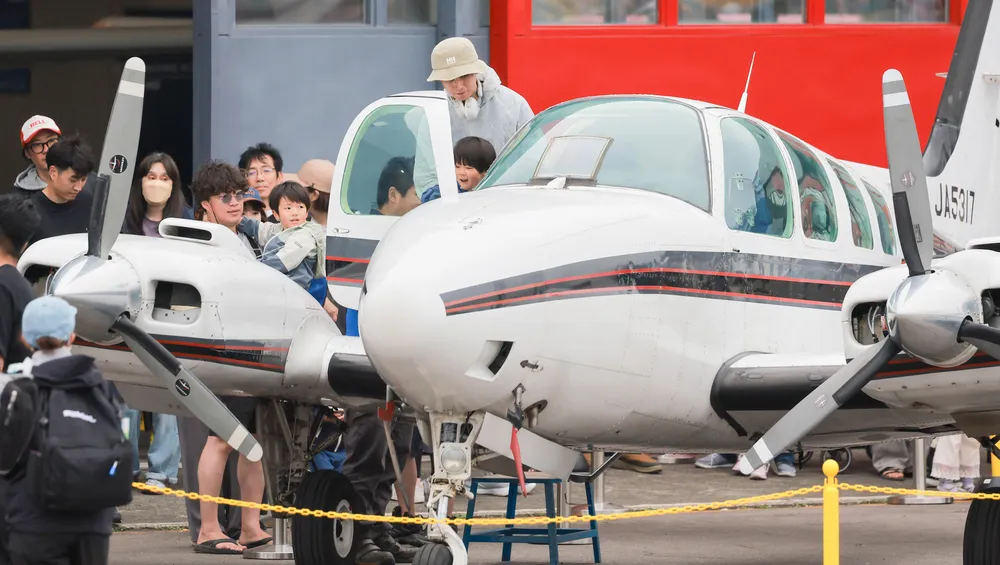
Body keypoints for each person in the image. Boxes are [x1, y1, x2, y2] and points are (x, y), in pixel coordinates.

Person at [189, 161, 271, 555]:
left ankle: (251, 526)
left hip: (253, 350)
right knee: (220, 439)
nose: (236, 203)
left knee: (249, 441)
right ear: (206, 204)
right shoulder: (200, 239)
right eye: (226, 197)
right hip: (221, 351)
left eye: (239, 195)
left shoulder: (246, 237)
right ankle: (208, 528)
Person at [4, 296, 117, 565]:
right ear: (71, 336)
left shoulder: (12, 387)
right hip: (93, 525)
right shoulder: (101, 388)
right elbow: (121, 445)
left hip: (30, 522)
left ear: (24, 338)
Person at [426, 37, 533, 159]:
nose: (459, 86)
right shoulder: (435, 114)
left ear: (476, 71)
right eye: (450, 79)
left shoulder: (514, 104)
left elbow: (534, 156)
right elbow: (426, 169)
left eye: (464, 76)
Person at [237, 181, 328, 305]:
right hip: (281, 289)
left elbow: (283, 261)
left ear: (306, 212)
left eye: (300, 207)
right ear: (276, 214)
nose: (295, 212)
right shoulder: (280, 229)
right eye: (288, 208)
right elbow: (262, 229)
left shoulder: (306, 234)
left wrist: (251, 267)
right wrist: (240, 221)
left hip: (298, 293)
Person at [27, 136, 97, 245]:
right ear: (53, 172)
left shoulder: (91, 204)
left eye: (83, 180)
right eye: (73, 179)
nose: (78, 187)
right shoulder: (28, 214)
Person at [420, 136, 496, 203]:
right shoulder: (454, 189)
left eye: (468, 168)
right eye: (457, 166)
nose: (461, 172)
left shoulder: (494, 191)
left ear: (486, 171)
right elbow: (428, 196)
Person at [13, 116, 61, 197]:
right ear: (27, 153)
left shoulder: (84, 180)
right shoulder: (19, 198)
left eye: (51, 141)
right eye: (37, 144)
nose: (46, 149)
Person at [238, 143, 285, 222]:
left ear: (279, 176)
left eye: (266, 170)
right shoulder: (237, 217)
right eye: (251, 172)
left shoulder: (291, 217)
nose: (259, 178)